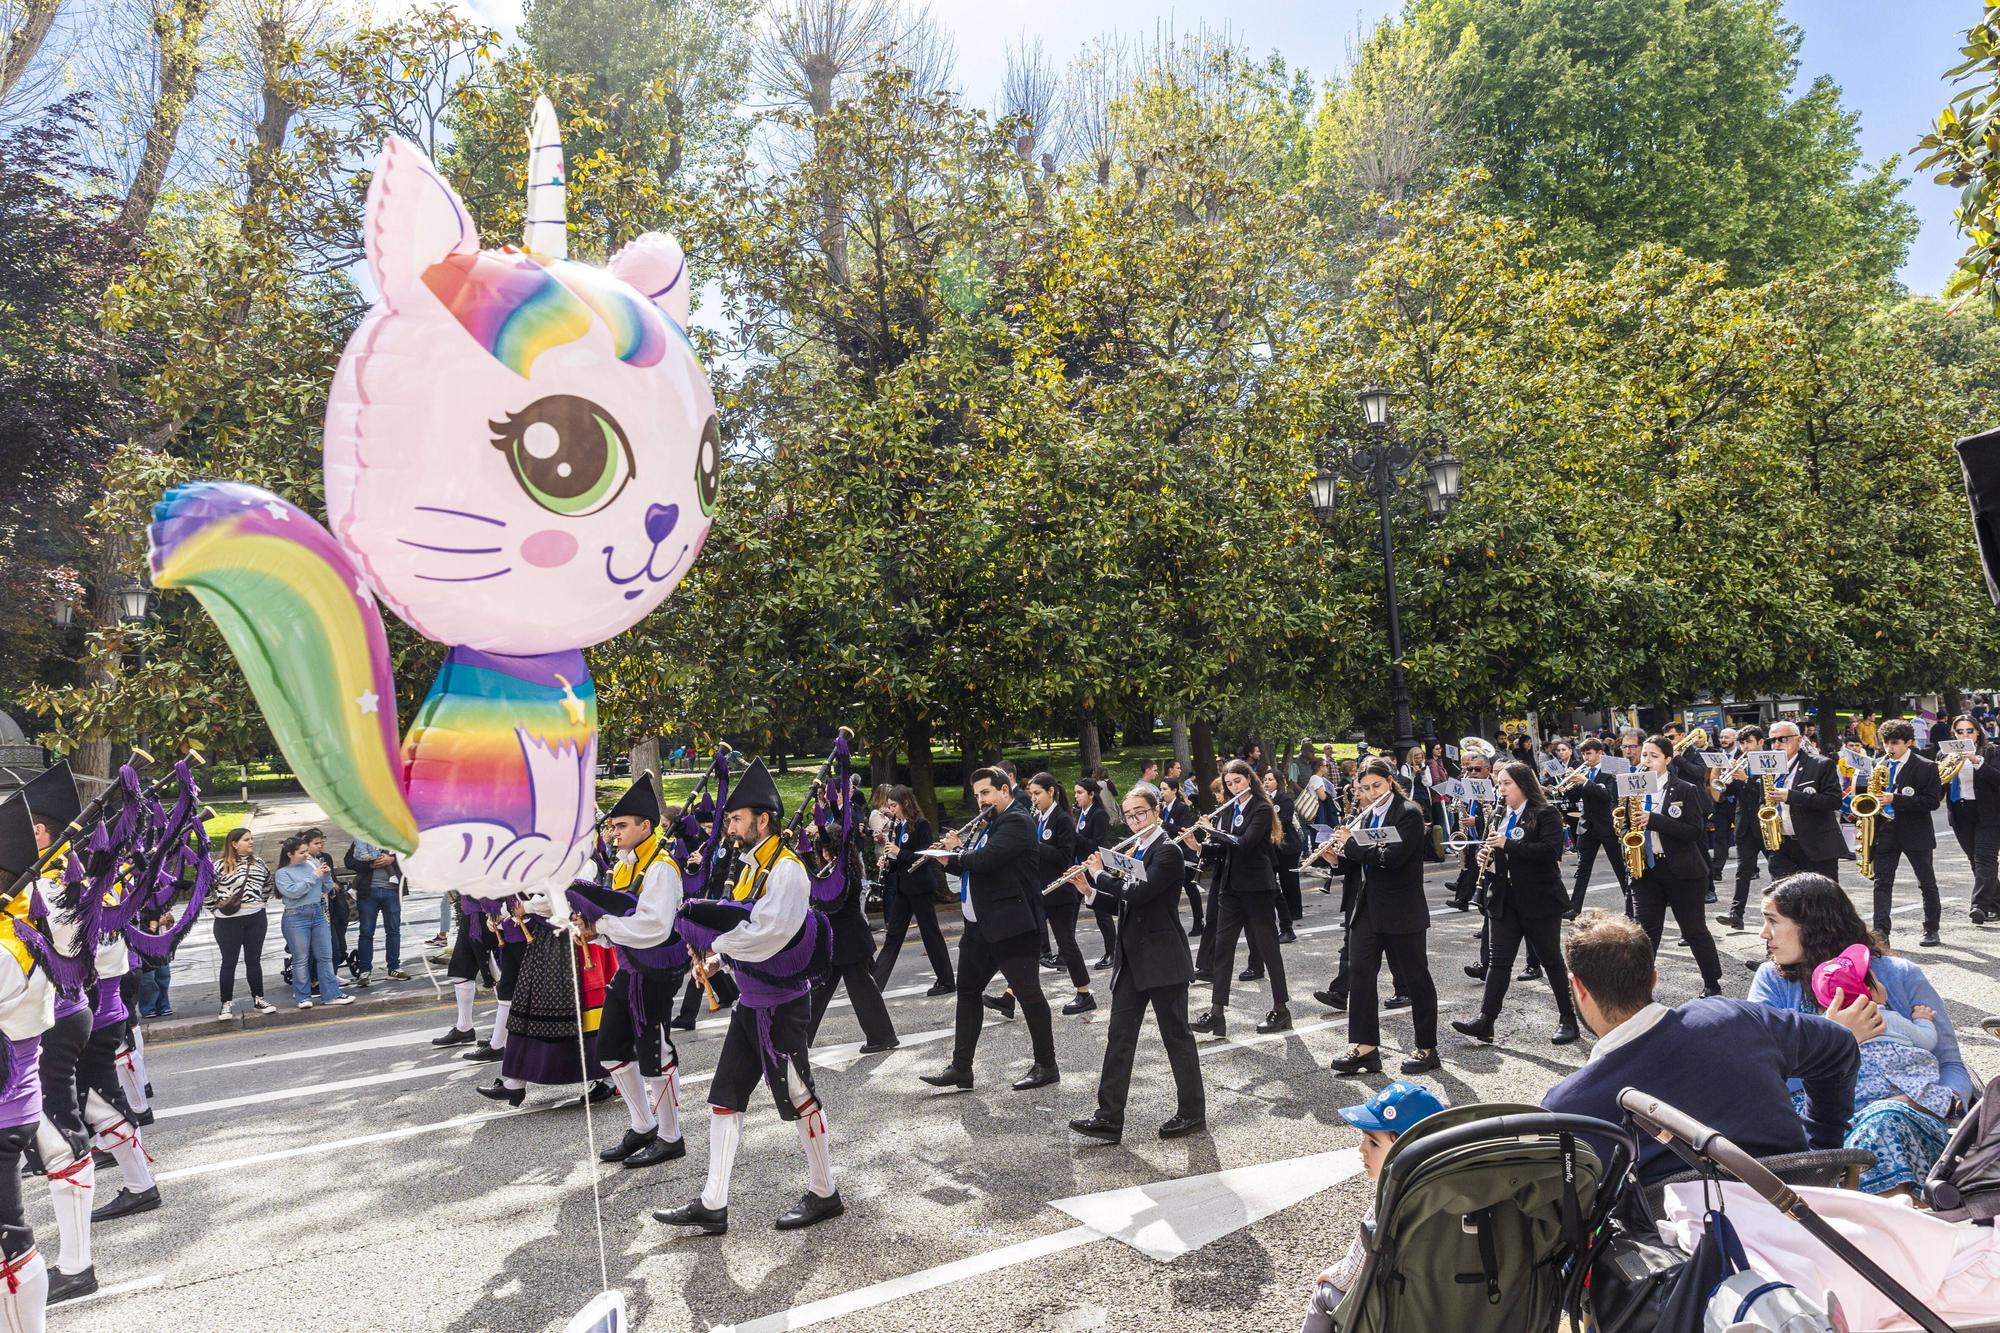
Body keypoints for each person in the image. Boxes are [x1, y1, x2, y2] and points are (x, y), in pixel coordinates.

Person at [655, 758, 844, 1234]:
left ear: (762, 819)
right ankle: (713, 1203)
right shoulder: (750, 868)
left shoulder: (787, 870)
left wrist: (715, 943)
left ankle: (825, 1193)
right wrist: (720, 960)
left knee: (800, 1097)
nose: (730, 826)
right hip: (750, 1004)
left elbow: (769, 934)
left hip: (781, 1007)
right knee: (725, 1098)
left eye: (737, 818)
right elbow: (745, 929)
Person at [1542, 912, 1862, 1187]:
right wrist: (1821, 1144)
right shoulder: (1732, 1016)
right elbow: (1839, 1045)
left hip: (1689, 1252)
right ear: (1653, 978)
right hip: (1803, 1211)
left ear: (1579, 987)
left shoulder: (1569, 1106)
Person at [1747, 874, 1973, 1199]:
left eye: (1772, 921)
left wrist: (1941, 1099)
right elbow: (1764, 1077)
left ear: (1812, 926)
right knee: (1871, 1129)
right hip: (1819, 1122)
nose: (1763, 933)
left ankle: (1880, 1228)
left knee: (1885, 1121)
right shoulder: (1773, 980)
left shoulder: (1899, 975)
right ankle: (1897, 1221)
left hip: (1906, 1111)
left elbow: (1949, 1061)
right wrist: (1833, 1038)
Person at [1062, 788, 1206, 1144]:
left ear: (1156, 812)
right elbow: (1125, 905)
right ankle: (1108, 1117)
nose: (1135, 821)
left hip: (1163, 959)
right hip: (1131, 961)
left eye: (1140, 813)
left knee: (1176, 1037)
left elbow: (1141, 893)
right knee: (1119, 1038)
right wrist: (1089, 891)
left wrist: (1100, 875)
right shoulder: (1136, 851)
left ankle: (1192, 1112)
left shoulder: (1168, 852)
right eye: (1128, 816)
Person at [574, 774, 689, 1170]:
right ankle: (644, 1124)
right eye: (612, 826)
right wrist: (595, 931)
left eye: (621, 826)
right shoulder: (625, 868)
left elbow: (653, 927)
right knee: (609, 1051)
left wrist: (602, 927)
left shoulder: (660, 868)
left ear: (645, 826)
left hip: (656, 969)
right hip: (630, 967)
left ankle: (671, 1137)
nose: (614, 832)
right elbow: (620, 921)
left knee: (655, 1054)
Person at [920, 768, 1059, 1092]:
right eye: (978, 795)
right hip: (980, 925)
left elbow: (986, 861)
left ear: (1005, 790)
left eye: (986, 793)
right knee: (967, 991)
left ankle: (1047, 1064)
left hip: (1013, 924)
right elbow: (976, 864)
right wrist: (946, 859)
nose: (980, 800)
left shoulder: (1017, 822)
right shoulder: (993, 822)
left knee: (1028, 994)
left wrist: (956, 852)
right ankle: (961, 1068)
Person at [1318, 758, 1438, 1077]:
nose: (1372, 793)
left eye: (1377, 786)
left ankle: (1427, 1047)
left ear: (1389, 782)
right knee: (1360, 975)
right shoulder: (1366, 815)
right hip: (1369, 908)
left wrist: (1351, 845)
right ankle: (1366, 1048)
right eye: (1366, 788)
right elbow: (1358, 863)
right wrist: (1334, 858)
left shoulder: (1409, 814)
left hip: (1402, 909)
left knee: (1416, 977)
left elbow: (1392, 859)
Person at [1449, 760, 1579, 1047]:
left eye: (1506, 783)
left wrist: (1508, 845)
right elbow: (1493, 849)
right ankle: (1486, 1021)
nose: (1501, 788)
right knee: (1498, 962)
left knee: (1552, 961)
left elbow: (1549, 852)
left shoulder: (1545, 813)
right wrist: (1486, 856)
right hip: (1503, 898)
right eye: (1500, 783)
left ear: (1523, 784)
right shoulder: (1499, 815)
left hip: (1538, 898)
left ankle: (1568, 1019)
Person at [1298, 1083, 1446, 1333]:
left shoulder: (1391, 1202)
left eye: (1373, 1143)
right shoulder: (1467, 1191)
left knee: (1324, 1293)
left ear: (1406, 1152)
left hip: (1399, 1313)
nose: (1362, 1148)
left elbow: (1353, 1273)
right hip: (1455, 1308)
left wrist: (1330, 1275)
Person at [1186, 760, 1292, 1038]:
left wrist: (1213, 831)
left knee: (1269, 949)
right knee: (1222, 949)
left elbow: (1245, 842)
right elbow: (1222, 849)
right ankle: (1217, 1013)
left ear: (1249, 779)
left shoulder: (1261, 807)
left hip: (1257, 887)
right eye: (1229, 784)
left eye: (1238, 782)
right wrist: (1198, 845)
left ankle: (1281, 1009)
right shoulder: (1229, 808)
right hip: (1231, 888)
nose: (1234, 788)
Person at [0, 795, 55, 1328]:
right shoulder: (23, 931)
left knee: (9, 1241)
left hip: (4, 1110)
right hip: (16, 1101)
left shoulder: (5, 947)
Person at [802, 799, 898, 1053]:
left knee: (856, 991)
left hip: (848, 941)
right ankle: (800, 1040)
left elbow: (829, 903)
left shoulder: (841, 873)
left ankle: (882, 1036)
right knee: (823, 991)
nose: (820, 854)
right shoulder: (840, 869)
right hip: (842, 941)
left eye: (822, 849)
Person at [991, 774, 1090, 1018]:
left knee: (1066, 943)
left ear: (1051, 792)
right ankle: (1010, 996)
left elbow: (1064, 857)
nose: (1033, 799)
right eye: (1031, 794)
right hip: (1039, 890)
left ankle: (1085, 992)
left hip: (1061, 892)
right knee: (1029, 944)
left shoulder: (1062, 819)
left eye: (1037, 794)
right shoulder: (1038, 818)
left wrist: (1033, 845)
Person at [869, 787, 955, 997]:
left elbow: (924, 857)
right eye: (889, 806)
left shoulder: (921, 825)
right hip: (903, 888)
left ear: (906, 803)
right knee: (893, 936)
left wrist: (899, 852)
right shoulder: (899, 828)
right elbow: (900, 861)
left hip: (920, 887)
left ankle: (946, 980)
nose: (891, 810)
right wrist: (888, 862)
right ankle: (874, 985)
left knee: (930, 933)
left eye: (894, 806)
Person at [1866, 719, 1943, 949]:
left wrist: (1894, 799)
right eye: (1886, 742)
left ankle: (1931, 928)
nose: (1890, 748)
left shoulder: (1925, 766)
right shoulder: (1878, 763)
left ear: (1909, 742)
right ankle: (1880, 932)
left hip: (1915, 831)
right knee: (1882, 882)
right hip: (1887, 830)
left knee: (1926, 881)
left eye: (1895, 743)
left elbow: (1932, 802)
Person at [272, 835, 353, 1010]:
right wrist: (314, 876)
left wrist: (326, 875)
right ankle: (303, 996)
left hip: (318, 912)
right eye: (302, 852)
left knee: (325, 955)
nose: (307, 855)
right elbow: (293, 892)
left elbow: (327, 888)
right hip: (295, 916)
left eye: (307, 851)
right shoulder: (282, 873)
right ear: (290, 855)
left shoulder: (313, 864)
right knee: (301, 958)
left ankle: (331, 994)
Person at [211, 828, 279, 1021]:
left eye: (252, 839)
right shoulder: (218, 866)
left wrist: (259, 903)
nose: (251, 842)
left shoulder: (259, 863)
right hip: (227, 921)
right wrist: (215, 909)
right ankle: (226, 1004)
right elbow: (206, 890)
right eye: (246, 840)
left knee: (254, 959)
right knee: (229, 962)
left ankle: (259, 998)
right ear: (234, 843)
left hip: (256, 917)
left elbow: (267, 885)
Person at [1766, 720, 1844, 881]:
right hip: (1781, 846)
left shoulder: (1821, 764)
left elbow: (1833, 801)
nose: (1776, 744)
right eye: (1772, 740)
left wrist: (1792, 796)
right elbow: (1763, 800)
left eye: (1782, 739)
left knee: (1822, 901)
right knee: (1784, 900)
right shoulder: (1768, 768)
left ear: (1799, 739)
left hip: (1816, 846)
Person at [1941, 713, 2000, 924]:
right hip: (1960, 811)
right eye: (1959, 731)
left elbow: (1997, 780)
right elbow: (1939, 786)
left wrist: (1977, 762)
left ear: (1977, 732)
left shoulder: (1992, 752)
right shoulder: (1944, 755)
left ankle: (1979, 906)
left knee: (1985, 858)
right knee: (1975, 859)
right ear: (1953, 734)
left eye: (1969, 731)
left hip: (1988, 812)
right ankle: (1995, 903)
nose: (1965, 735)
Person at [1717, 726, 1773, 932]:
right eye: (1742, 743)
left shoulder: (1771, 761)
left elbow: (1769, 793)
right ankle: (1736, 915)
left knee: (1778, 871)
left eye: (1748, 742)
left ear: (1760, 742)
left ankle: (1787, 911)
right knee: (1742, 872)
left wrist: (1747, 779)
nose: (1745, 747)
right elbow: (1728, 791)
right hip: (1744, 826)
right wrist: (1727, 775)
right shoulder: (1742, 763)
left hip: (1766, 824)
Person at [1566, 738, 1630, 916]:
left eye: (1589, 753)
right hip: (1588, 826)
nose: (1585, 758)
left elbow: (1608, 795)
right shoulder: (1586, 772)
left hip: (1608, 825)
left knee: (1619, 867)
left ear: (1600, 753)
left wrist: (1586, 782)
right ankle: (1574, 908)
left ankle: (1632, 905)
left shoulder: (1611, 771)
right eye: (1584, 754)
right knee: (1582, 869)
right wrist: (1571, 782)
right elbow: (1573, 798)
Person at [345, 835, 410, 984]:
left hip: (393, 891)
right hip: (368, 892)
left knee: (393, 929)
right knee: (366, 931)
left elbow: (411, 857)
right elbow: (349, 861)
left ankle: (394, 966)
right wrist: (369, 865)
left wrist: (392, 860)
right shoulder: (363, 836)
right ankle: (364, 970)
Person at [1074, 777, 1115, 969]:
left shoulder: (1099, 815)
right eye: (1075, 792)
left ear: (1091, 794)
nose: (1076, 796)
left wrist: (1075, 837)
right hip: (1078, 868)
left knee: (1102, 913)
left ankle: (1112, 952)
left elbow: (1095, 844)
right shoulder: (1079, 813)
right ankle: (1066, 954)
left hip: (1095, 867)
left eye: (1080, 792)